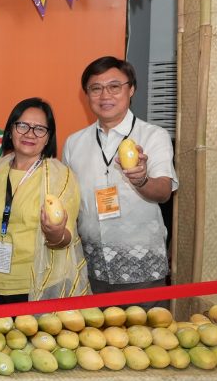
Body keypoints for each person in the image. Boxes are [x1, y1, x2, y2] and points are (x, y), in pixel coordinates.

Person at [62, 56, 177, 305]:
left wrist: (142, 180)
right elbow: (69, 202)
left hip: (141, 268)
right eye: (96, 88)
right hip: (91, 268)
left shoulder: (154, 136)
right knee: (95, 341)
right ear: (86, 94)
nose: (105, 95)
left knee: (147, 340)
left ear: (131, 89)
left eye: (114, 86)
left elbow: (164, 191)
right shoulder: (74, 143)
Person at [0, 98, 89, 304]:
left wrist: (55, 234)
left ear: (48, 138)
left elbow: (66, 238)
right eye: (23, 125)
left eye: (39, 129)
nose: (30, 134)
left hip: (37, 284)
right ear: (10, 130)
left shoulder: (60, 177)